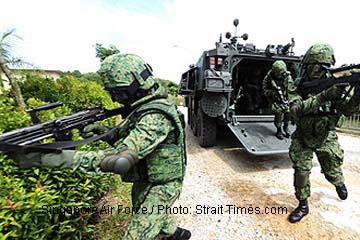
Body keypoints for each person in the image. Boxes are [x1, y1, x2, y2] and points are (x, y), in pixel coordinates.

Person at [10, 53, 191, 240]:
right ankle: (176, 234)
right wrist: (105, 132)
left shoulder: (155, 115)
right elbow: (133, 140)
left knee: (136, 233)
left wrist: (50, 158)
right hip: (149, 176)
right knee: (147, 211)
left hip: (164, 185)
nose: (115, 99)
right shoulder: (146, 106)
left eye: (118, 93)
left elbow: (120, 160)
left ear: (133, 87)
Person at [287, 43, 360, 223]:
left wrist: (357, 96)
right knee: (301, 172)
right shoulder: (298, 85)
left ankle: (338, 183)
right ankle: (303, 205)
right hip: (303, 135)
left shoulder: (334, 82)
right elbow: (295, 110)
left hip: (326, 134)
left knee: (332, 168)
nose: (317, 70)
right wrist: (324, 96)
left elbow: (347, 110)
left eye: (321, 67)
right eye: (315, 66)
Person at [263, 60, 291, 139]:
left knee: (288, 113)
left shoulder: (287, 76)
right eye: (277, 73)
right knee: (278, 113)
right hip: (275, 99)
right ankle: (279, 130)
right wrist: (273, 93)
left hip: (285, 98)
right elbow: (264, 90)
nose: (278, 75)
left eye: (280, 73)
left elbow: (292, 87)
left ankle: (286, 127)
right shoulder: (268, 77)